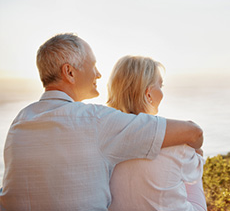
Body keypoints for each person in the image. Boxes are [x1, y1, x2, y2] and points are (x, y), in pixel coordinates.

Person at [0, 33, 203, 211]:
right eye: (93, 66)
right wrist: (196, 151)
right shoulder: (95, 120)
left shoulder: (19, 122)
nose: (98, 74)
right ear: (69, 72)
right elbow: (192, 132)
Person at [107, 55, 207, 211]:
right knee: (194, 171)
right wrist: (197, 154)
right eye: (160, 86)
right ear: (148, 94)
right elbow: (194, 172)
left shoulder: (102, 138)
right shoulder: (176, 144)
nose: (162, 92)